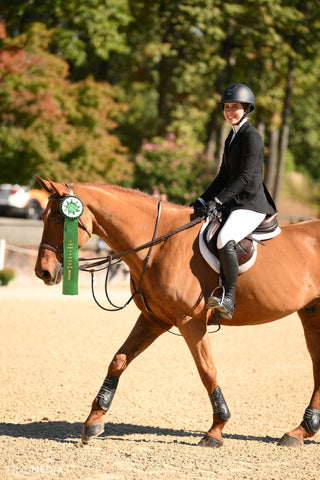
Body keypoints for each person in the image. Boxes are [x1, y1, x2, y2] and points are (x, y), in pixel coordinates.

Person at [193, 83, 277, 320]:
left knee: (224, 237)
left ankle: (228, 298)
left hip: (251, 204)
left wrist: (218, 200)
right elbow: (223, 175)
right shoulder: (232, 136)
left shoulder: (252, 137)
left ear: (247, 109)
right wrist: (201, 199)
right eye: (227, 107)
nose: (230, 111)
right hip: (235, 202)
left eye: (235, 107)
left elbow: (245, 176)